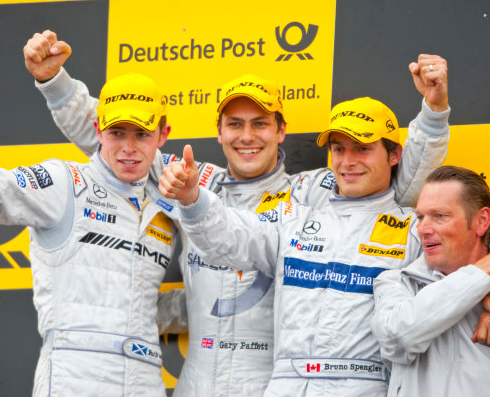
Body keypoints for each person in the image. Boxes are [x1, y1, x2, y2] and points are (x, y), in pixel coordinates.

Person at [23, 30, 451, 396]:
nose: (248, 137)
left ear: (281, 130)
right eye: (235, 124)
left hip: (267, 380)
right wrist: (56, 84)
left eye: (260, 123)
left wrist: (432, 116)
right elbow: (120, 145)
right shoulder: (193, 179)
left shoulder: (308, 192)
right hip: (197, 379)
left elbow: (399, 180)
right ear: (220, 132)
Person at [0, 74, 178, 396]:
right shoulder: (64, 183)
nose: (128, 147)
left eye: (141, 134)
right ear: (98, 131)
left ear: (162, 136)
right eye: (116, 132)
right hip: (74, 377)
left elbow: (142, 306)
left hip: (146, 380)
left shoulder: (168, 204)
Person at [159, 95, 438, 396]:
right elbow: (231, 235)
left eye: (363, 149)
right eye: (339, 149)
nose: (348, 161)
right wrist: (192, 198)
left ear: (394, 155)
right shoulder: (293, 215)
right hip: (284, 386)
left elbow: (452, 287)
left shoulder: (413, 229)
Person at [370, 165, 490, 397]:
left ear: (482, 221)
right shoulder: (395, 282)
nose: (422, 228)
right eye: (420, 216)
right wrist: (480, 275)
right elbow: (398, 339)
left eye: (439, 216)